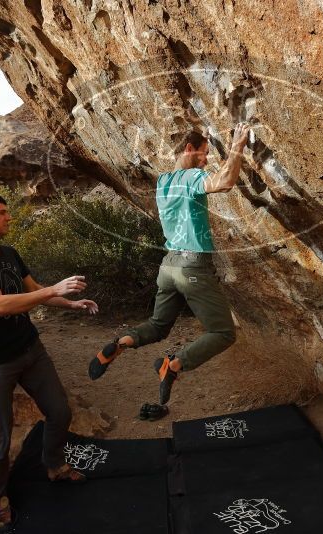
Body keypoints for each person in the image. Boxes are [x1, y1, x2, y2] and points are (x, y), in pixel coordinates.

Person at [0, 191, 98, 532]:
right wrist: (53, 291)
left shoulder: (10, 254)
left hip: (30, 350)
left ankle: (54, 466)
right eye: (2, 213)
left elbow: (38, 291)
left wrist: (71, 304)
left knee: (60, 411)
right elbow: (0, 305)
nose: (8, 218)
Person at [89, 123, 251, 419]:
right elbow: (225, 182)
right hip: (192, 266)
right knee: (223, 332)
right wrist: (238, 145)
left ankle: (120, 343)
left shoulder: (163, 180)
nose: (205, 161)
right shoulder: (192, 176)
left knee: (157, 326)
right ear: (188, 149)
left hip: (169, 267)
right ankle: (173, 365)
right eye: (203, 155)